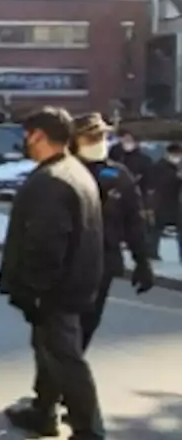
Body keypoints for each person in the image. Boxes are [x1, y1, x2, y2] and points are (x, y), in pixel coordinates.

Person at [0, 107, 111, 440]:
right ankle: (42, 411)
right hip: (72, 285)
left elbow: (46, 243)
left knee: (66, 360)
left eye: (28, 134)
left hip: (56, 290)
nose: (25, 141)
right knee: (49, 351)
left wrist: (34, 290)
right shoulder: (73, 171)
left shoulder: (52, 181)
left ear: (37, 136)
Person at [69, 113, 154, 350]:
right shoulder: (62, 173)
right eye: (91, 137)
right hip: (65, 262)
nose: (98, 142)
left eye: (102, 136)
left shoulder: (119, 176)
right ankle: (53, 379)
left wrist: (142, 261)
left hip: (102, 261)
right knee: (60, 327)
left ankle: (64, 375)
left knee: (87, 324)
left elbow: (134, 222)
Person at [146, 142, 182, 261]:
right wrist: (176, 177)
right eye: (175, 154)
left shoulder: (174, 167)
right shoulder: (161, 166)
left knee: (164, 228)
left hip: (172, 202)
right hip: (161, 202)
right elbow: (163, 182)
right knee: (157, 228)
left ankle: (153, 252)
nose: (177, 157)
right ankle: (152, 252)